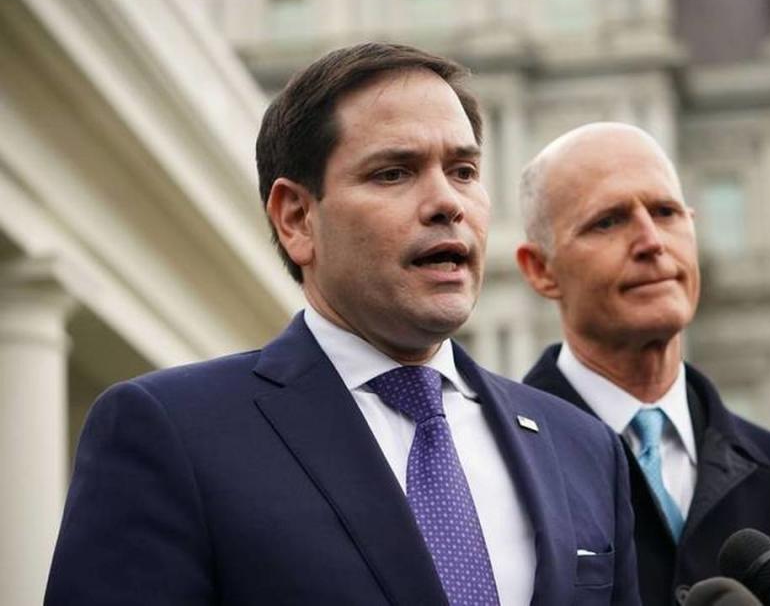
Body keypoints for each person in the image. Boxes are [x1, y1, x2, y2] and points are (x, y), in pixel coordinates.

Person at [45, 45, 639, 606]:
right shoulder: (169, 431)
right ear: (297, 218)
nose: (447, 203)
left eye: (462, 170)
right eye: (394, 173)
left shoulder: (584, 448)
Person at [516, 122, 770, 606]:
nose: (651, 241)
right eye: (608, 221)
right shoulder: (494, 469)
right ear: (540, 269)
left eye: (666, 212)